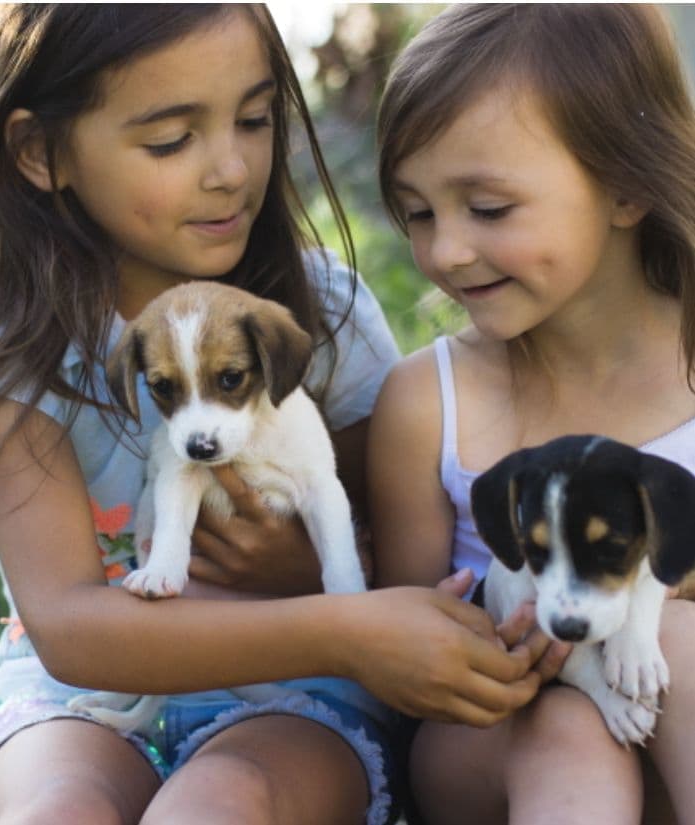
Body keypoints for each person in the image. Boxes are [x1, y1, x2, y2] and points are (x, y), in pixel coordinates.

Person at [0, 5, 565, 824]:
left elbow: (395, 554)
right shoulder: (16, 349)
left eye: (254, 120)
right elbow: (69, 628)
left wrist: (308, 582)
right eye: (170, 140)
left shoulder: (320, 315)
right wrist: (341, 627)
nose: (230, 169)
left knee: (221, 805)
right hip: (79, 700)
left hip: (300, 700)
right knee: (58, 811)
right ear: (41, 152)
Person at [372, 4, 695, 824]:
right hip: (492, 739)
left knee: (681, 645)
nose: (445, 251)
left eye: (486, 208)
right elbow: (405, 659)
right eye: (418, 213)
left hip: (674, 718)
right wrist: (480, 651)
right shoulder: (427, 401)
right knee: (569, 732)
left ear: (625, 186)